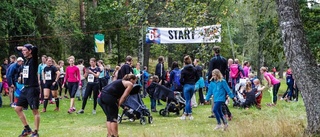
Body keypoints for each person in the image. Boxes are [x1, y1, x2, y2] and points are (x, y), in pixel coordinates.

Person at [15, 44, 40, 137]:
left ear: (30, 51)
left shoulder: (33, 60)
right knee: (17, 108)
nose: (23, 52)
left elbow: (35, 48)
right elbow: (16, 48)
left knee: (35, 111)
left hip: (33, 88)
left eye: (25, 50)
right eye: (23, 50)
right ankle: (27, 129)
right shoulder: (26, 61)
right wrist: (24, 48)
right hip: (25, 88)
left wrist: (28, 47)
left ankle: (36, 132)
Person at [179, 55, 200, 120]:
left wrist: (183, 83)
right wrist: (194, 81)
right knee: (189, 100)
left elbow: (181, 79)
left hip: (186, 85)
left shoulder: (183, 70)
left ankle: (188, 114)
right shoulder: (194, 69)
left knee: (187, 101)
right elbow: (198, 77)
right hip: (192, 85)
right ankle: (186, 113)